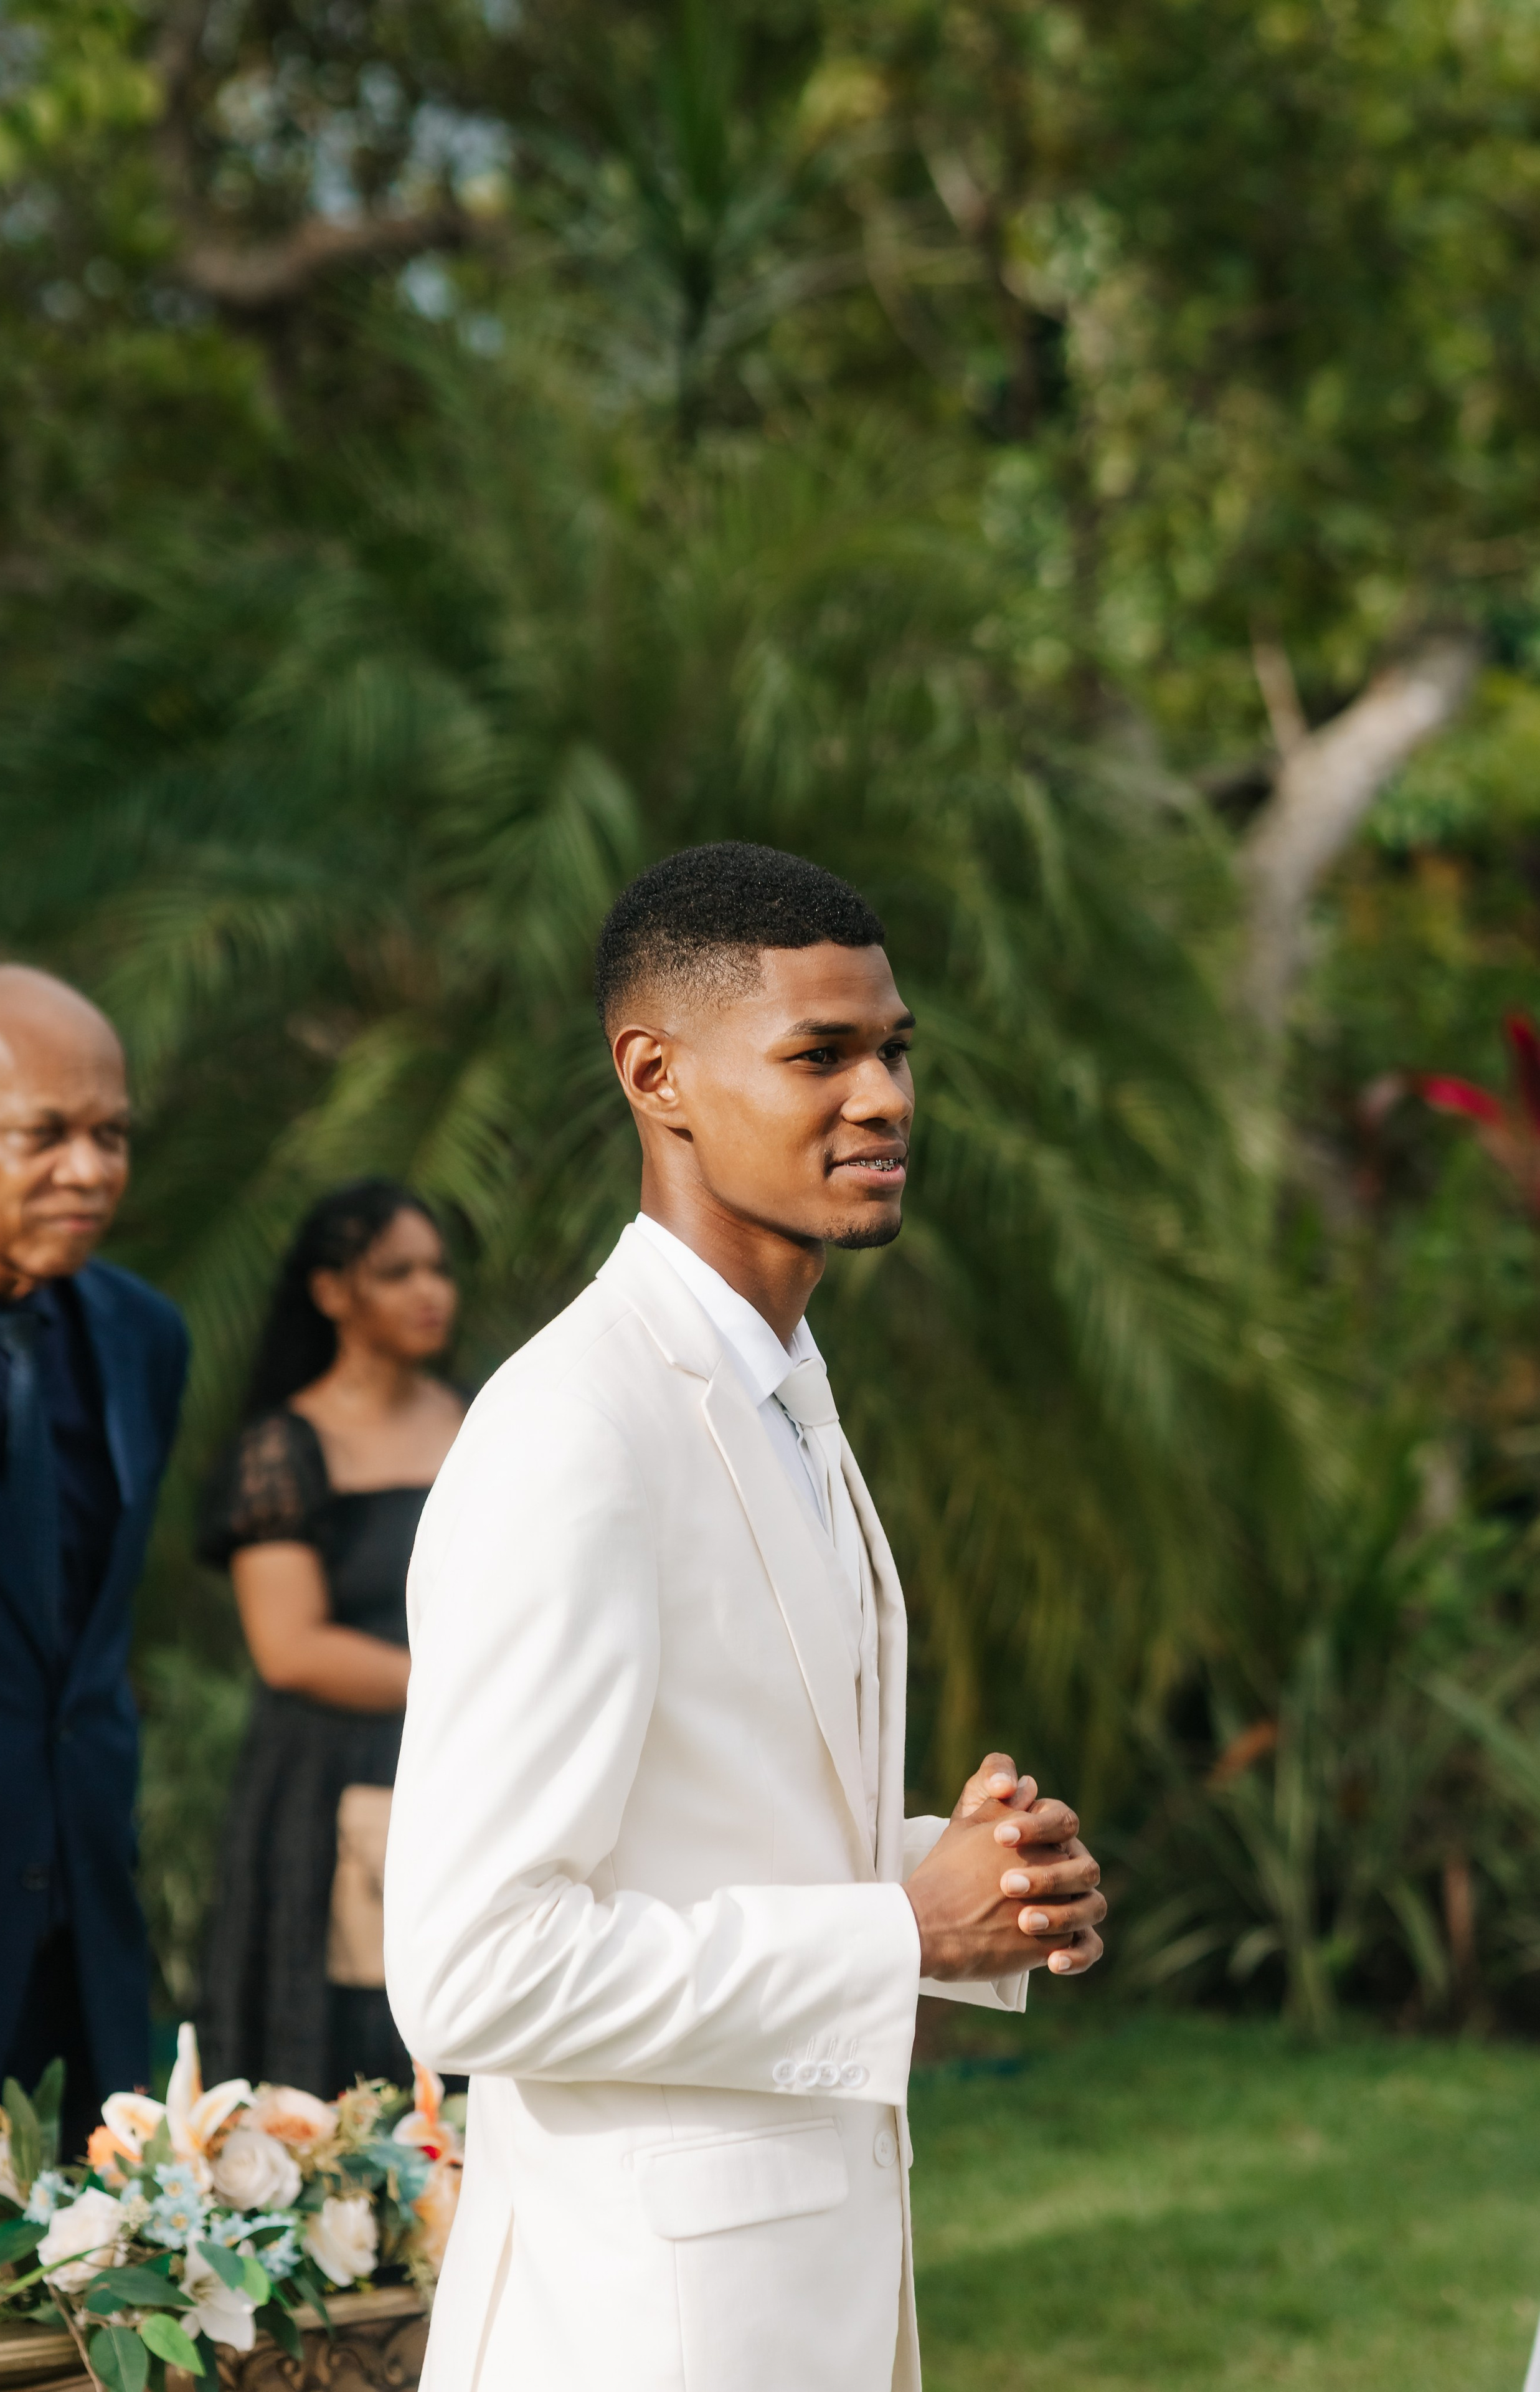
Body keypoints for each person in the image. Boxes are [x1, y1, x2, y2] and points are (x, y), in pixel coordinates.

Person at [385, 842, 1105, 2392]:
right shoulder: (574, 1429)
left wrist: (977, 1884)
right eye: (819, 1055)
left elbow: (707, 1823)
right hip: (637, 2331)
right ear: (657, 1074)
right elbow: (471, 1966)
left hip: (795, 2306)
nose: (885, 1098)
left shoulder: (779, 1394)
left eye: (894, 1050)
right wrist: (898, 1929)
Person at [0, 965, 188, 2152]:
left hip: (82, 1921)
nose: (89, 1169)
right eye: (43, 1135)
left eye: (111, 1134)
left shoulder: (143, 1336)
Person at [196, 1179, 465, 2098]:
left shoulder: (483, 1419)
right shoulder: (284, 1445)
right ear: (332, 1293)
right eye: (397, 1272)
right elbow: (292, 1647)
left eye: (437, 1269)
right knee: (354, 2061)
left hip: (471, 1756)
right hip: (334, 1782)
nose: (431, 1290)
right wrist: (469, 1681)